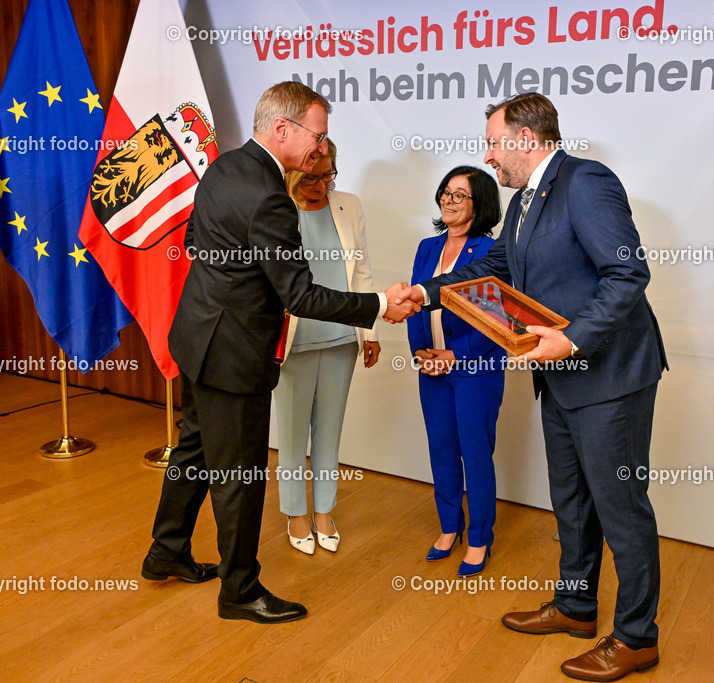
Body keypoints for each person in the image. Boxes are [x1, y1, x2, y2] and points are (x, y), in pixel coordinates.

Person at [396, 92, 667, 681]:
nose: (489, 157)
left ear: (524, 138)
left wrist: (572, 340)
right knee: (570, 501)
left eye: (493, 143)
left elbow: (628, 272)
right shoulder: (521, 203)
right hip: (560, 378)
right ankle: (575, 606)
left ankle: (637, 637)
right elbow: (492, 271)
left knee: (620, 509)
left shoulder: (585, 181)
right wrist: (425, 293)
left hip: (609, 375)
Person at [141, 81, 418, 625]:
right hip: (233, 353)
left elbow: (197, 239)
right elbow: (300, 294)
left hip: (197, 336)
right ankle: (240, 591)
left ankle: (165, 551)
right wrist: (380, 303)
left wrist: (237, 280)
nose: (322, 146)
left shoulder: (224, 166)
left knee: (194, 450)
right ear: (283, 128)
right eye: (318, 135)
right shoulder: (269, 195)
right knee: (240, 476)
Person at [276, 140, 381, 555]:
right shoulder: (277, 210)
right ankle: (295, 514)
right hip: (294, 340)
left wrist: (370, 332)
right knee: (291, 434)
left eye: (328, 176)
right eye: (311, 177)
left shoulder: (349, 205)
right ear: (293, 172)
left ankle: (323, 511)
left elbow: (363, 270)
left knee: (329, 432)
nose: (321, 185)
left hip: (342, 337)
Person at [408, 166, 505, 577]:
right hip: (431, 368)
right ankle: (450, 527)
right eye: (446, 192)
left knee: (475, 454)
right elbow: (415, 304)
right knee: (442, 448)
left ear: (478, 203)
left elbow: (498, 321)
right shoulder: (427, 247)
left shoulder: (491, 251)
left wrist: (457, 356)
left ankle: (480, 536)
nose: (448, 199)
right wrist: (421, 352)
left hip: (475, 370)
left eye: (460, 195)